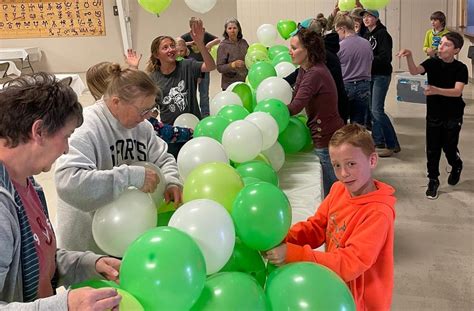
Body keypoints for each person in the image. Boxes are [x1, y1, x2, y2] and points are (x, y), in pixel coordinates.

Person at [0, 73, 122, 309]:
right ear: (39, 131)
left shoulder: (28, 184)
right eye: (65, 137)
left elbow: (38, 261)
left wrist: (88, 264)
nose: (67, 149)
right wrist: (64, 305)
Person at [264, 123, 396, 311]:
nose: (343, 174)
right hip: (335, 285)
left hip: (361, 302)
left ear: (372, 160)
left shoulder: (378, 214)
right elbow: (317, 227)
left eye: (351, 164)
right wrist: (283, 238)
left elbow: (350, 263)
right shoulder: (338, 189)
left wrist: (293, 254)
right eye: (336, 165)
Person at [55, 67, 182, 254]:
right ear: (116, 102)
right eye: (143, 110)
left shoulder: (143, 127)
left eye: (151, 110)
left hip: (128, 239)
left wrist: (171, 181)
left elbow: (163, 158)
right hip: (86, 249)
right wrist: (130, 176)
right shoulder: (86, 127)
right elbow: (68, 181)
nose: (148, 117)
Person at [397, 32, 468, 199]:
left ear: (456, 50)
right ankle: (433, 179)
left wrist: (436, 90)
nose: (441, 47)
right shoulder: (432, 63)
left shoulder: (461, 68)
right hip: (434, 114)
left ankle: (456, 164)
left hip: (453, 114)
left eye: (446, 45)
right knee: (433, 148)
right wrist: (409, 56)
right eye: (441, 43)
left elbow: (457, 92)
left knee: (449, 148)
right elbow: (415, 71)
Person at [86, 61, 193, 158]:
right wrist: (188, 133)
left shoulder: (140, 120)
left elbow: (162, 155)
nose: (146, 115)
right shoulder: (93, 123)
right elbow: (163, 131)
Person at [287, 28, 344, 198]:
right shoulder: (305, 69)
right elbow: (296, 95)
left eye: (294, 48)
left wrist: (271, 110)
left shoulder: (315, 73)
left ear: (309, 51)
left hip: (326, 137)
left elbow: (295, 106)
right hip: (323, 133)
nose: (290, 51)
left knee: (333, 192)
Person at [147, 19, 216, 124]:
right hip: (170, 133)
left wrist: (200, 44)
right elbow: (153, 108)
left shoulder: (187, 65)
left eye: (172, 46)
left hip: (193, 128)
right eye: (165, 48)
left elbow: (210, 66)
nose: (171, 49)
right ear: (157, 55)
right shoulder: (153, 78)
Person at [285, 17, 349, 123]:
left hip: (332, 116)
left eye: (294, 48)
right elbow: (297, 91)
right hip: (323, 117)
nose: (289, 52)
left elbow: (297, 105)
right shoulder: (306, 66)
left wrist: (274, 110)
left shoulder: (319, 65)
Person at [361, 9, 401, 157]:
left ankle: (392, 144)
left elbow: (385, 57)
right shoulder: (366, 35)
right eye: (364, 16)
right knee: (372, 109)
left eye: (369, 16)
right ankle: (378, 142)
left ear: (376, 18)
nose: (366, 19)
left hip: (381, 75)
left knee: (377, 110)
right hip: (370, 75)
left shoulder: (383, 35)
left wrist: (367, 61)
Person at [335, 15, 373, 125]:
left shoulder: (340, 46)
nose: (337, 34)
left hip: (346, 85)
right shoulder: (367, 43)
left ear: (343, 28)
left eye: (337, 30)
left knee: (341, 121)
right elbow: (370, 64)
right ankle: (356, 142)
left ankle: (344, 142)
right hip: (364, 85)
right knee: (358, 123)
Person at [181, 17, 220, 117]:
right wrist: (190, 43)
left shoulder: (205, 35)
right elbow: (177, 42)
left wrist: (210, 43)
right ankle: (191, 114)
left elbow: (218, 39)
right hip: (191, 68)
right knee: (189, 93)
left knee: (204, 93)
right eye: (196, 26)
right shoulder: (186, 36)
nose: (199, 28)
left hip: (204, 66)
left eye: (201, 25)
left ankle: (205, 115)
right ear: (191, 27)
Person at [216, 18, 249, 90]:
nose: (232, 31)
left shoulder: (244, 43)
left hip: (244, 82)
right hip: (229, 85)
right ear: (226, 31)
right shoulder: (223, 46)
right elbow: (219, 67)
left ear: (238, 29)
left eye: (235, 28)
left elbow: (249, 58)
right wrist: (233, 65)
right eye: (229, 28)